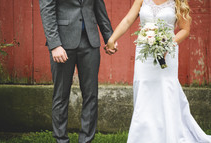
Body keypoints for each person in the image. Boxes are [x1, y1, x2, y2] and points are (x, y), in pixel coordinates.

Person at [105, 0, 211, 142]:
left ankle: (168, 135)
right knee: (144, 91)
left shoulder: (178, 1)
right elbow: (128, 19)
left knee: (165, 91)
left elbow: (185, 30)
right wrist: (112, 38)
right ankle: (142, 137)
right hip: (144, 54)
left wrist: (168, 44)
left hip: (167, 53)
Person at [39, 0, 117, 143]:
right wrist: (55, 44)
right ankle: (61, 140)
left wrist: (109, 38)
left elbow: (100, 9)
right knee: (61, 95)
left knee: (91, 95)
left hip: (90, 42)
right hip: (62, 43)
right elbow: (47, 11)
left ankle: (86, 140)